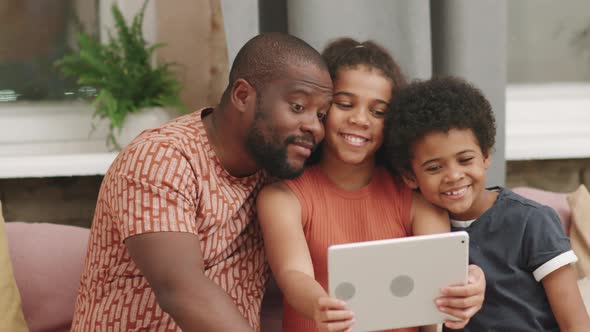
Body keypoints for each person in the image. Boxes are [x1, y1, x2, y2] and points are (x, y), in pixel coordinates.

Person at [71, 32, 333, 332]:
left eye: (322, 115)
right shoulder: (160, 159)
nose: (315, 127)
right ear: (243, 95)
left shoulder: (275, 169)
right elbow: (182, 291)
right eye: (298, 107)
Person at [256, 38, 486, 332]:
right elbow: (292, 274)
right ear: (321, 108)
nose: (360, 119)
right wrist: (320, 305)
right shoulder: (283, 198)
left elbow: (439, 290)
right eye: (345, 104)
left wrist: (469, 283)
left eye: (378, 112)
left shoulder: (416, 199)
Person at [384, 76, 590, 331]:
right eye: (435, 167)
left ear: (486, 156)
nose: (454, 176)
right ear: (410, 177)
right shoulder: (418, 229)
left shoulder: (532, 222)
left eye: (465, 159)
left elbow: (576, 324)